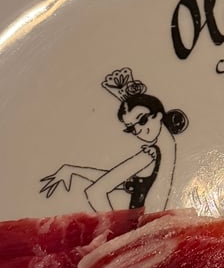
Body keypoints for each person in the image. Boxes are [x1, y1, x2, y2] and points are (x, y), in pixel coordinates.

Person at [40, 72, 188, 213]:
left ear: (158, 114)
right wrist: (122, 234)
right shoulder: (151, 154)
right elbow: (95, 192)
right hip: (146, 232)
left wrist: (72, 170)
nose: (139, 131)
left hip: (153, 230)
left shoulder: (156, 152)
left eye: (142, 120)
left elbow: (114, 180)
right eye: (132, 129)